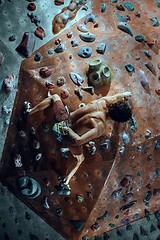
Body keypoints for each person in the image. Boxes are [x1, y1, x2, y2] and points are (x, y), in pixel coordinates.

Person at [27, 91, 132, 195]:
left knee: (54, 97)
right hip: (67, 137)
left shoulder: (102, 102)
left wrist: (124, 95)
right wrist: (68, 131)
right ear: (117, 120)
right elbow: (78, 140)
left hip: (64, 120)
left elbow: (115, 96)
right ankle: (66, 181)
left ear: (115, 104)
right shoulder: (100, 126)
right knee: (80, 160)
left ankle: (29, 111)